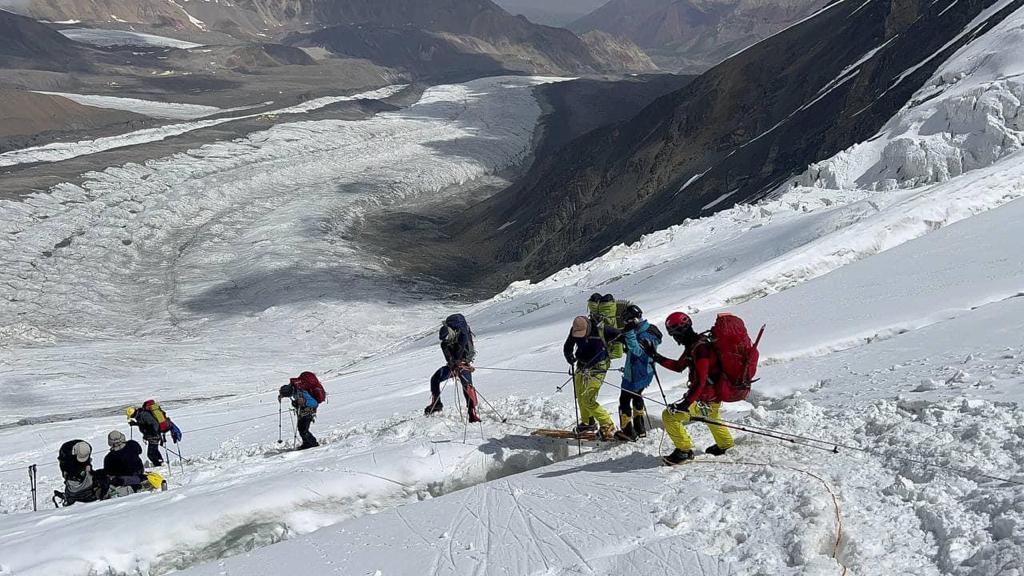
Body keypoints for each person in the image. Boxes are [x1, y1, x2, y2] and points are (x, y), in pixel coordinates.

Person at [642, 312, 735, 465]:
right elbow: (679, 366)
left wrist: (685, 404)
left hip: (705, 397)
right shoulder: (696, 344)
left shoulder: (700, 348)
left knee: (669, 416)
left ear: (680, 332)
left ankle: (684, 451)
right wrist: (655, 355)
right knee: (712, 416)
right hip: (712, 396)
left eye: (674, 335)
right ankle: (726, 444)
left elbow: (701, 381)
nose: (675, 338)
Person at [564, 315, 621, 440]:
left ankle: (607, 425)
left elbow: (621, 335)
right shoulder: (575, 330)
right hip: (582, 366)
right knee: (580, 395)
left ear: (588, 327)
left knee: (588, 398)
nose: (580, 336)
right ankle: (588, 422)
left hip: (598, 367)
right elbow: (568, 346)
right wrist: (569, 356)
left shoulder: (601, 329)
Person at [614, 304, 663, 441]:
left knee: (624, 400)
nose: (625, 324)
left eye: (627, 321)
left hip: (635, 374)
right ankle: (640, 428)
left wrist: (629, 334)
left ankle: (628, 431)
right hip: (646, 372)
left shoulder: (643, 335)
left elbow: (639, 352)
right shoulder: (649, 329)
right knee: (637, 396)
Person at [425, 313, 480, 423]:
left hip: (462, 364)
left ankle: (437, 404)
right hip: (460, 366)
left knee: (437, 379)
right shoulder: (451, 341)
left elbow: (456, 353)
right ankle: (472, 413)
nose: (445, 341)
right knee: (467, 386)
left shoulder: (461, 337)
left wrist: (455, 362)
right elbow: (451, 356)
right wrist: (454, 362)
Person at [127, 401, 181, 467]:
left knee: (151, 454)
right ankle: (161, 462)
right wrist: (135, 424)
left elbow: (154, 424)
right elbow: (145, 425)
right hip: (152, 435)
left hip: (154, 435)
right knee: (154, 451)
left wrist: (151, 434)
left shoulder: (143, 415)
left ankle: (159, 465)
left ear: (132, 415)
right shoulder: (140, 415)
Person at [56, 439, 102, 505]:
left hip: (85, 467)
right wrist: (67, 475)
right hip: (68, 465)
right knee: (73, 479)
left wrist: (88, 469)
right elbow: (64, 467)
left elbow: (86, 461)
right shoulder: (65, 452)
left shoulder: (87, 447)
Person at [102, 430, 147, 497]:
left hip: (124, 480)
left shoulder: (109, 457)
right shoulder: (132, 444)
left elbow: (109, 473)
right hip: (139, 473)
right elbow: (140, 451)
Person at [280, 381, 319, 449]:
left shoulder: (302, 392)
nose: (290, 396)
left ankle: (313, 444)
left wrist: (304, 401)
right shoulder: (293, 390)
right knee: (300, 428)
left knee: (304, 430)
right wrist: (281, 395)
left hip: (309, 412)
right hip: (302, 412)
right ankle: (306, 443)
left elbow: (314, 403)